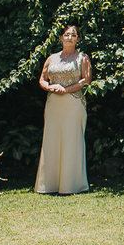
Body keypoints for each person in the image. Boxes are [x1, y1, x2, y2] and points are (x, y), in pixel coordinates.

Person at [35, 24, 92, 194]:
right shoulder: (51, 58)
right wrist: (51, 88)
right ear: (61, 38)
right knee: (51, 141)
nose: (69, 38)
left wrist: (66, 89)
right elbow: (42, 79)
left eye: (73, 35)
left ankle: (72, 185)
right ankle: (49, 185)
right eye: (66, 34)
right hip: (54, 105)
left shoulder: (83, 58)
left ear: (78, 39)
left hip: (73, 104)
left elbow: (86, 80)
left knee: (71, 141)